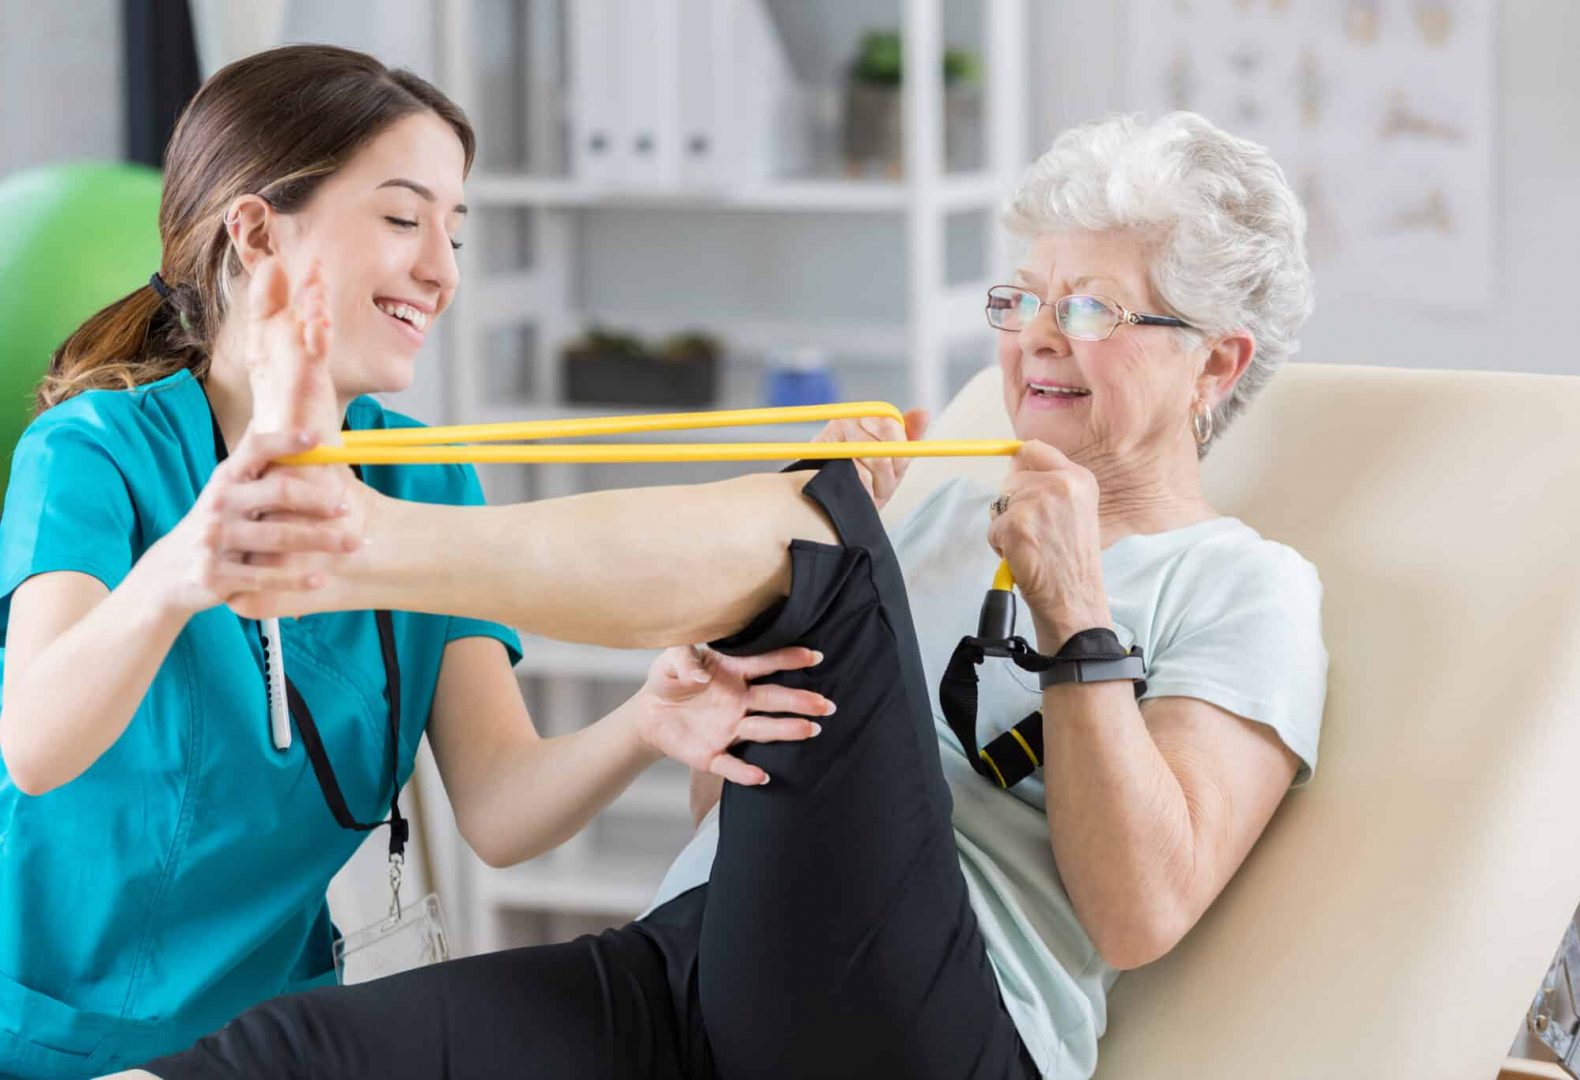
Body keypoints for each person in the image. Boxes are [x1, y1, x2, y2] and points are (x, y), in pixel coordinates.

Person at [125, 111, 1328, 1080]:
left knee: (820, 544)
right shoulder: (938, 508)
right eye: (1017, 302)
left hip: (934, 1030)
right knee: (284, 1057)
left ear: (1212, 361)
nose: (1034, 342)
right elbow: (733, 797)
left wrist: (1075, 618)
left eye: (1088, 310)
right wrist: (718, 680)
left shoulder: (1245, 587)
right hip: (700, 965)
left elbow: (1139, 916)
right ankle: (346, 538)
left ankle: (345, 543)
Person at [0, 45, 830, 1079]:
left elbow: (499, 808)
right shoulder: (94, 454)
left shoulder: (427, 484)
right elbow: (34, 744)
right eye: (402, 219)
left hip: (278, 1044)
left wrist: (646, 726)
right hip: (55, 1042)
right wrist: (182, 570)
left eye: (455, 230)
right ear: (255, 231)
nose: (440, 269)